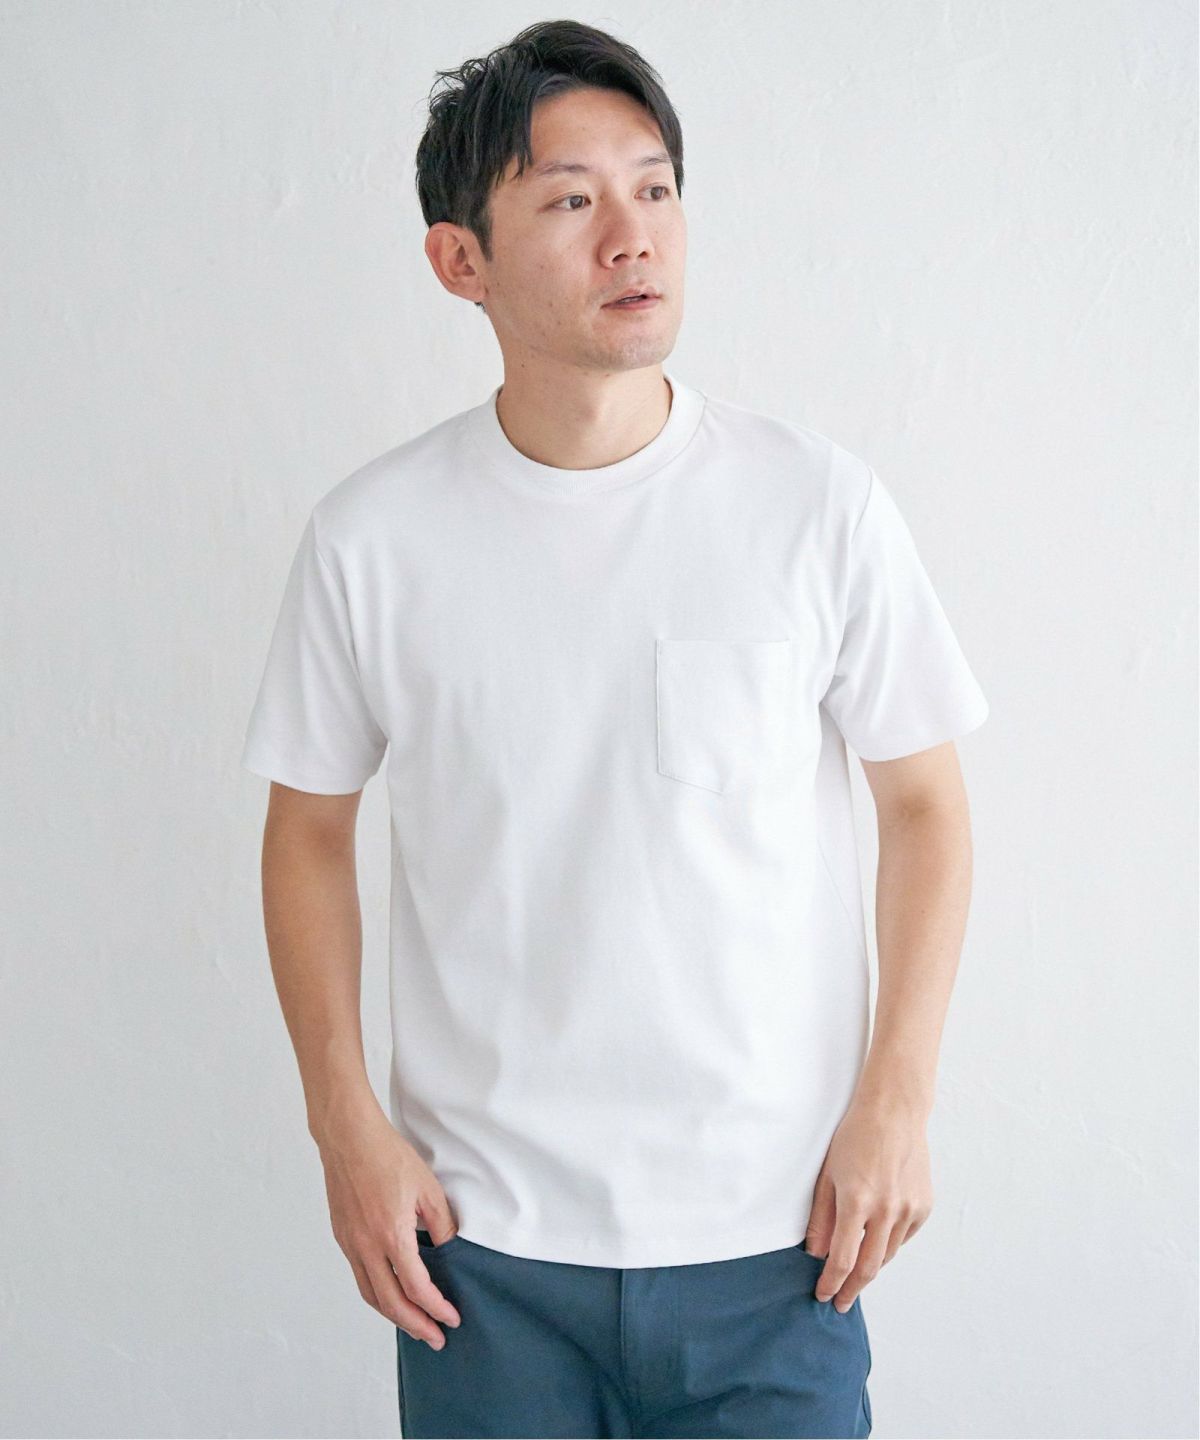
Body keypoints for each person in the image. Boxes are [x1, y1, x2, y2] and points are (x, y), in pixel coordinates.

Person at [240, 18, 989, 1439]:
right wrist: (346, 1129)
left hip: (781, 1244)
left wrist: (899, 1099)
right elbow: (307, 833)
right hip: (480, 1257)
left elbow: (925, 806)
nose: (631, 235)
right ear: (460, 261)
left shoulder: (814, 505)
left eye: (654, 188)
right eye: (570, 200)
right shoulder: (373, 539)